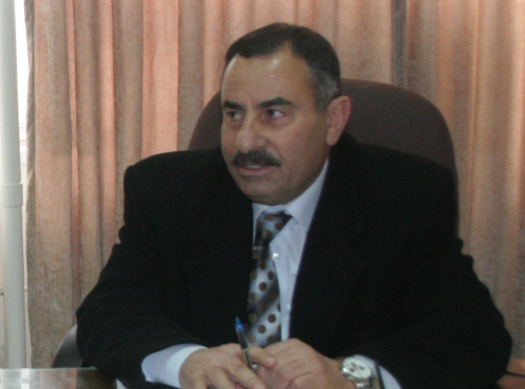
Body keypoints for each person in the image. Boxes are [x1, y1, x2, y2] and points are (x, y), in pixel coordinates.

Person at [76, 23, 511, 389]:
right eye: (233, 114)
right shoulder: (168, 192)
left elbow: (471, 334)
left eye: (274, 114)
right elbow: (108, 313)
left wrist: (349, 375)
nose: (245, 141)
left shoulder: (404, 196)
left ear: (334, 120)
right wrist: (185, 362)